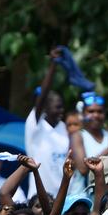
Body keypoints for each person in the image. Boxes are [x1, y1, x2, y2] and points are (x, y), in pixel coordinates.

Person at [24, 48, 70, 197]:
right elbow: (43, 95)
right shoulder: (35, 125)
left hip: (63, 198)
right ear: (45, 107)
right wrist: (53, 65)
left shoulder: (64, 128)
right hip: (39, 197)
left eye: (62, 106)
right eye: (57, 107)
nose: (61, 110)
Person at [70, 92, 108, 192]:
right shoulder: (78, 136)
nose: (96, 115)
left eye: (100, 111)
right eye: (91, 111)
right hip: (87, 197)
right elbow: (83, 169)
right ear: (83, 114)